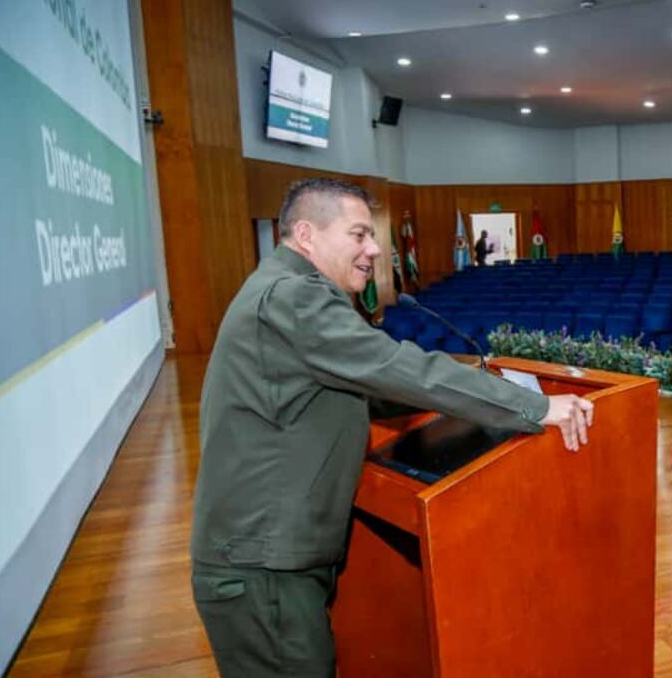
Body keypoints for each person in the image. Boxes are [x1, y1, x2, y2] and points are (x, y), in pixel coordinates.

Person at [190, 179, 593, 677]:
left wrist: (472, 394)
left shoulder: (282, 289)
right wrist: (532, 406)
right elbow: (395, 367)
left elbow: (366, 389)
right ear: (307, 234)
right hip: (263, 560)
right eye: (359, 235)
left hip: (270, 553)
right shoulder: (296, 297)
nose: (375, 249)